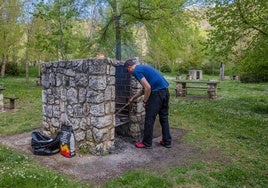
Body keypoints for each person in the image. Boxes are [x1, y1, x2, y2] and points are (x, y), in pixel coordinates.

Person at [124, 58, 172, 149]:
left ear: (130, 67)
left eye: (128, 71)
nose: (129, 73)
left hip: (156, 94)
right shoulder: (142, 68)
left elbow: (148, 88)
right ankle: (167, 141)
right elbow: (144, 89)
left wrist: (145, 101)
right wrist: (133, 98)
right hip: (165, 92)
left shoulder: (136, 71)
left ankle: (146, 143)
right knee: (164, 117)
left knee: (149, 118)